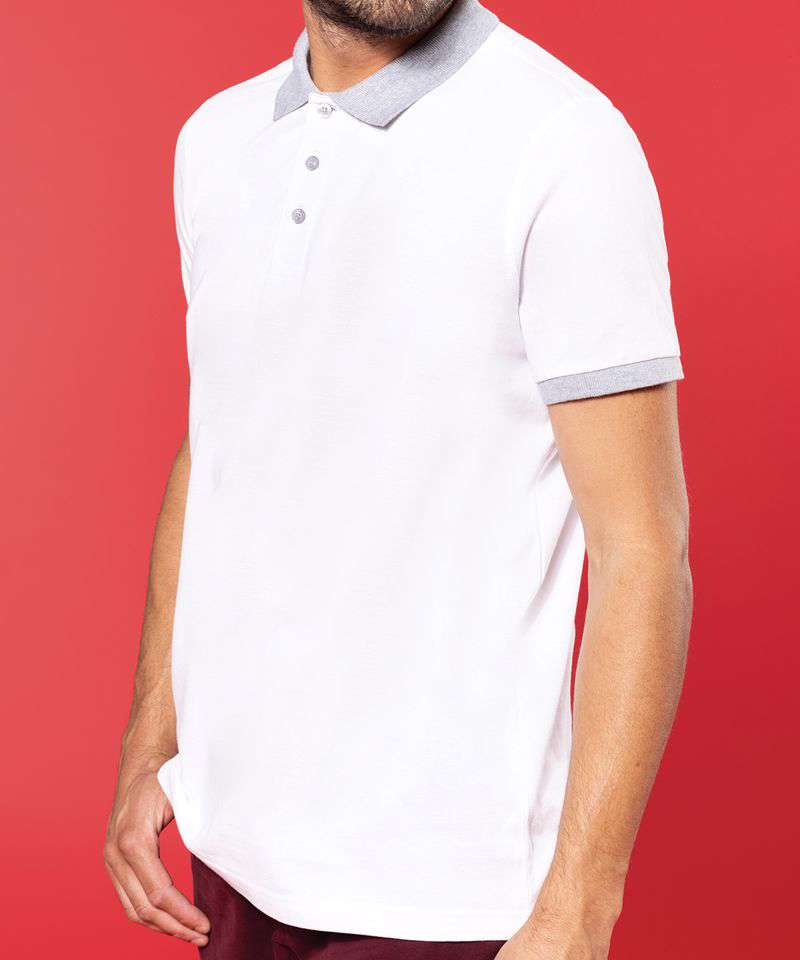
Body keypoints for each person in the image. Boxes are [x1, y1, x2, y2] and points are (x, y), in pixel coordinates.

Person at [104, 1, 692, 957]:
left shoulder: (564, 144)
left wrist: (580, 908)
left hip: (443, 895)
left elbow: (644, 549)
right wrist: (151, 743)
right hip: (231, 853)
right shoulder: (215, 142)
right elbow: (217, 447)